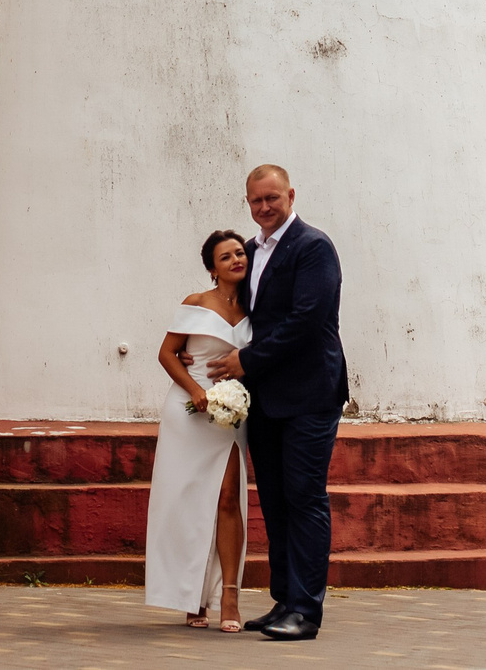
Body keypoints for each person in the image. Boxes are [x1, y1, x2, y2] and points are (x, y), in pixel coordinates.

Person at [207, 164, 347, 642]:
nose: (264, 208)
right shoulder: (249, 250)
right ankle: (284, 601)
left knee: (305, 498)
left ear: (290, 194)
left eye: (272, 198)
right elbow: (231, 306)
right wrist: (198, 344)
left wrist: (246, 360)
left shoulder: (313, 247)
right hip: (265, 398)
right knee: (276, 500)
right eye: (255, 201)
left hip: (310, 394)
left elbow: (308, 320)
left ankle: (305, 612)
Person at [144, 229, 253, 630]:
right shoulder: (196, 303)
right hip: (189, 411)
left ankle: (229, 596)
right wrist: (195, 389)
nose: (235, 260)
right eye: (225, 257)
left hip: (231, 414)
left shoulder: (258, 307)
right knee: (189, 502)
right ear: (212, 268)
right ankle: (191, 597)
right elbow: (166, 353)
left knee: (227, 499)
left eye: (240, 253)